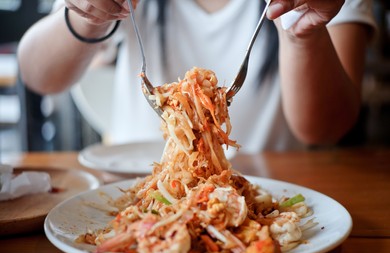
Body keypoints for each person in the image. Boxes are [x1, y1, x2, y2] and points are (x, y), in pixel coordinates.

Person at [17, 0, 377, 153]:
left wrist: (302, 30)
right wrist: (85, 15)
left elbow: (327, 128)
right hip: (131, 192)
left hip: (271, 195)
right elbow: (39, 76)